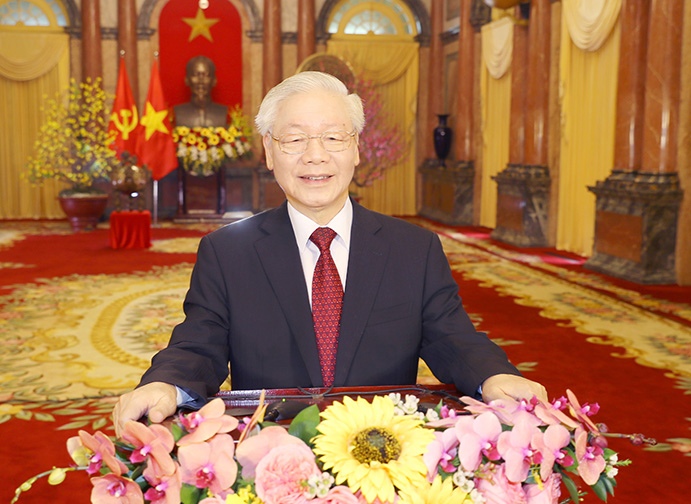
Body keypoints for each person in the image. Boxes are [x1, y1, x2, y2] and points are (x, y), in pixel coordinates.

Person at [113, 71, 546, 435]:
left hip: (384, 452)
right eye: (294, 139)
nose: (315, 156)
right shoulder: (227, 252)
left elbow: (452, 337)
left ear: (356, 148)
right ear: (269, 151)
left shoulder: (414, 248)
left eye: (333, 137)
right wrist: (164, 385)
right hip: (271, 454)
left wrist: (495, 376)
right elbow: (197, 344)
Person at [173, 55, 228, 128]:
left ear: (214, 81)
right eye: (195, 74)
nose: (201, 81)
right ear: (187, 80)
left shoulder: (223, 112)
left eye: (206, 75)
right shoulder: (178, 112)